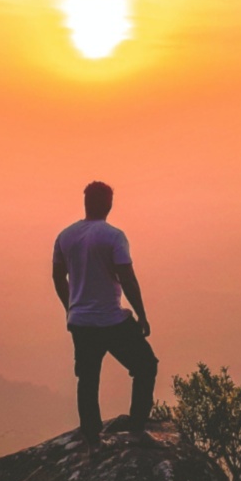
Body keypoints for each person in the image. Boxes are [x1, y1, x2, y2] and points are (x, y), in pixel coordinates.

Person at [52, 181, 158, 448]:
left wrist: (71, 307)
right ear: (109, 204)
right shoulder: (114, 236)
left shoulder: (65, 236)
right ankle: (137, 428)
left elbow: (57, 275)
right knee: (145, 365)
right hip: (111, 320)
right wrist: (142, 315)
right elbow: (127, 278)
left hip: (81, 322)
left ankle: (91, 436)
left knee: (87, 378)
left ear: (86, 203)